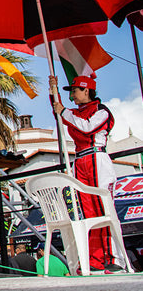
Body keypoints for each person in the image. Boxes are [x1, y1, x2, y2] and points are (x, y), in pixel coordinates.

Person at [49, 75, 122, 272]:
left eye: (74, 91)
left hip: (96, 159)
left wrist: (63, 111)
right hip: (80, 160)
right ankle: (94, 260)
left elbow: (87, 128)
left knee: (103, 210)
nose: (72, 95)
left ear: (86, 90)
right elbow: (61, 114)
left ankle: (114, 259)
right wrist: (52, 91)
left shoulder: (101, 111)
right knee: (87, 212)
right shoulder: (75, 112)